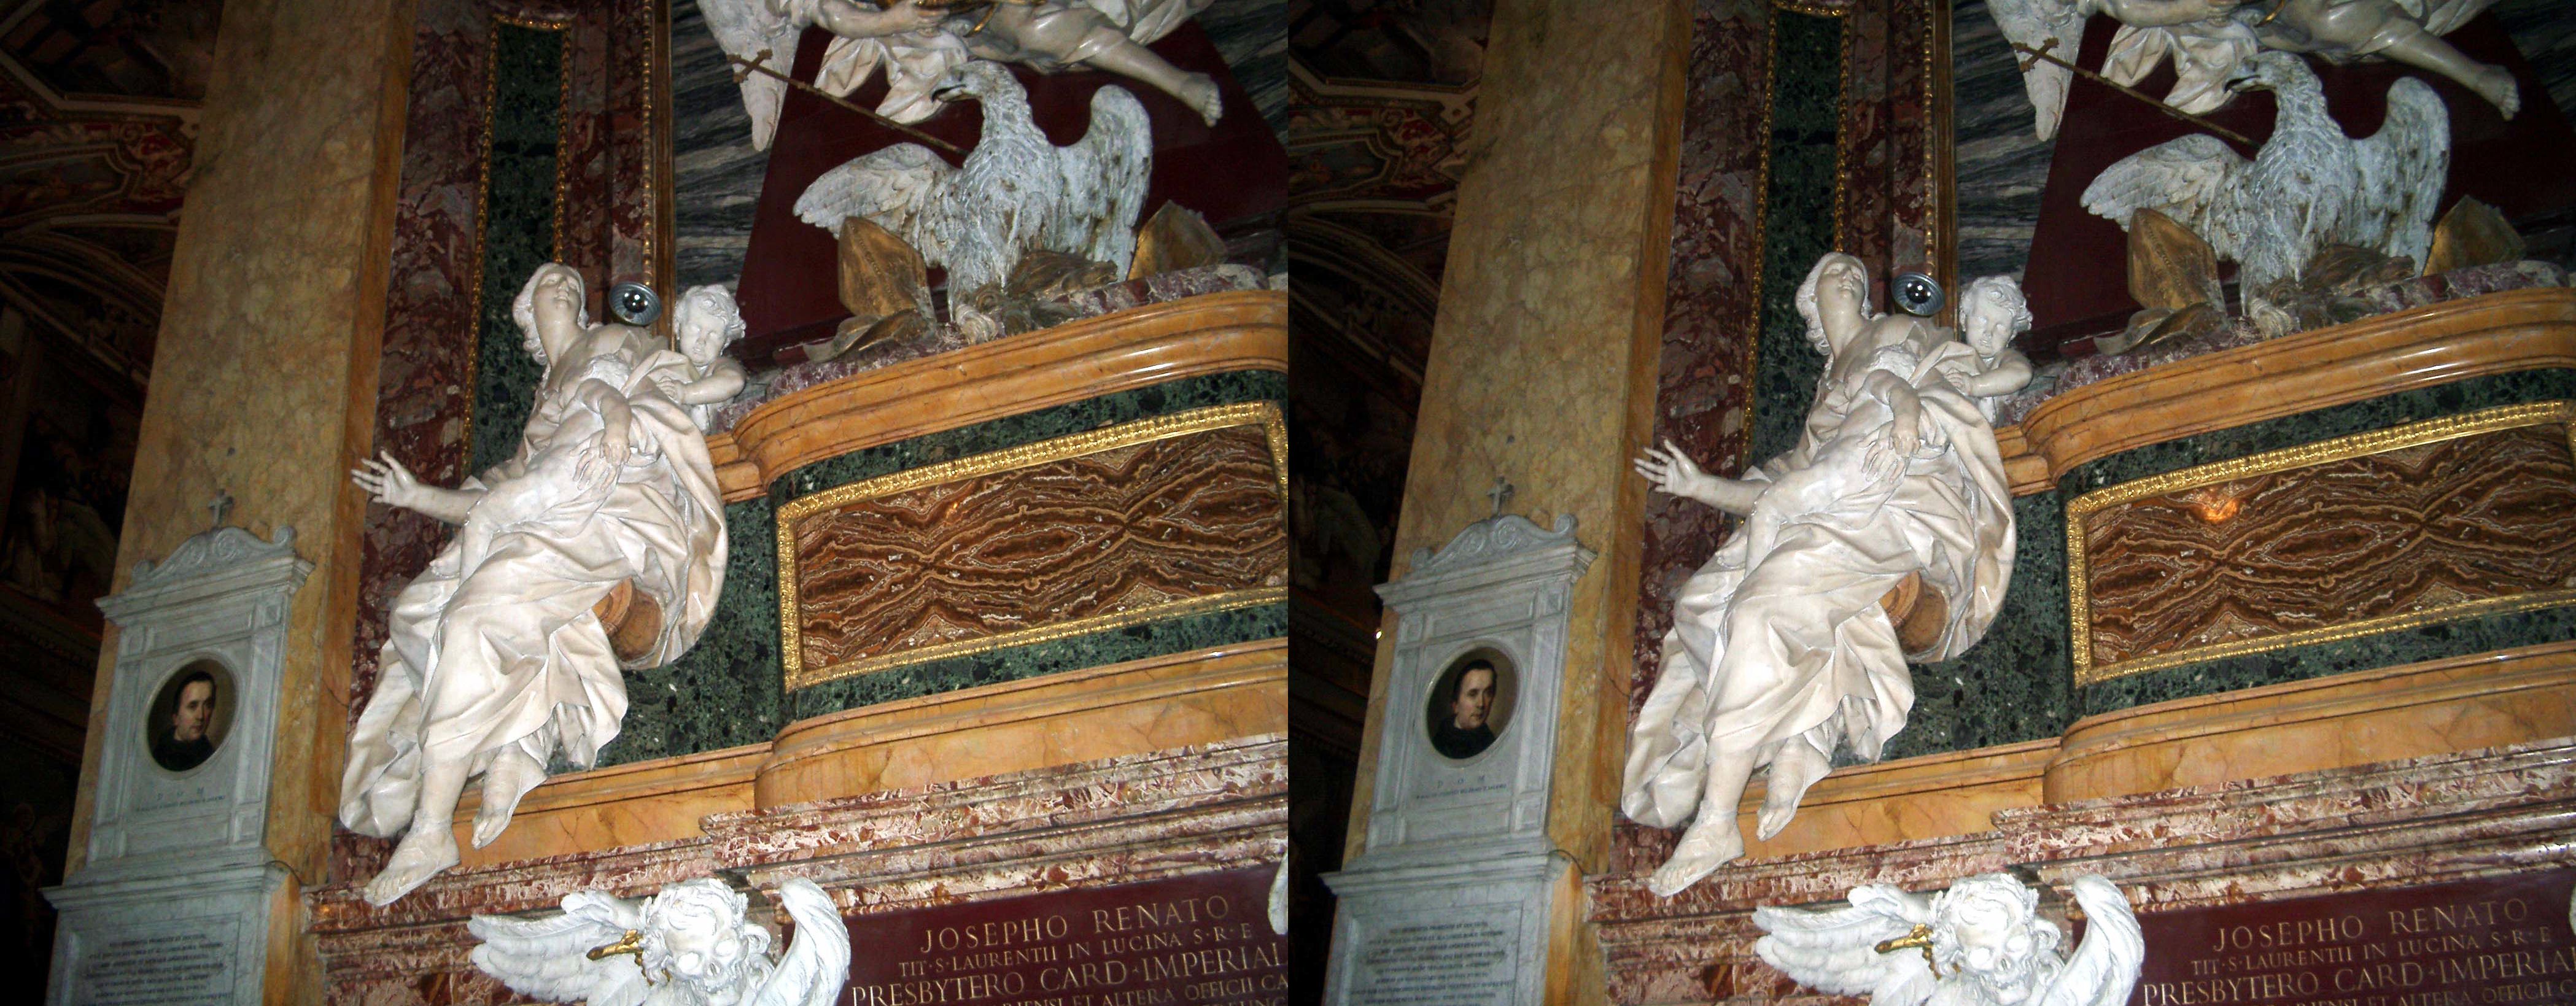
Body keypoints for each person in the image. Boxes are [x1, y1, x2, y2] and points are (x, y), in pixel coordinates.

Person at [1623, 253, 2017, 896]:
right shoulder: (1825, 391)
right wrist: (1699, 487)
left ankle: (1717, 820)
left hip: (1894, 494)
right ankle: (1794, 735)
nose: (1848, 278)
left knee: (1757, 613)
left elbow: (1951, 383)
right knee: (1699, 603)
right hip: (1828, 501)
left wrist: (1913, 417)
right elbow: (1780, 491)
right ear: (1809, 299)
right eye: (1835, 273)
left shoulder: (1896, 332)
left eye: (1856, 276)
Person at [341, 263, 727, 907]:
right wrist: (416, 497)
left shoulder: (610, 340)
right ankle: (513, 741)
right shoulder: (545, 395)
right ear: (526, 308)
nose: (566, 286)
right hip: (547, 508)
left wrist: (620, 426)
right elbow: (497, 498)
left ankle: (432, 829)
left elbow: (656, 396)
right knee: (416, 613)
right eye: (551, 281)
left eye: (573, 284)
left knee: (471, 620)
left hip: (608, 502)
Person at [1430, 660, 1499, 759]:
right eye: (1473, 694)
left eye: (1488, 693)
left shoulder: (1489, 741)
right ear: (1456, 705)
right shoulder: (1441, 744)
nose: (1481, 704)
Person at [151, 669, 217, 771]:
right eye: (192, 706)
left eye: (207, 705)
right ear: (176, 718)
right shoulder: (161, 757)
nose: (201, 716)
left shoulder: (209, 753)